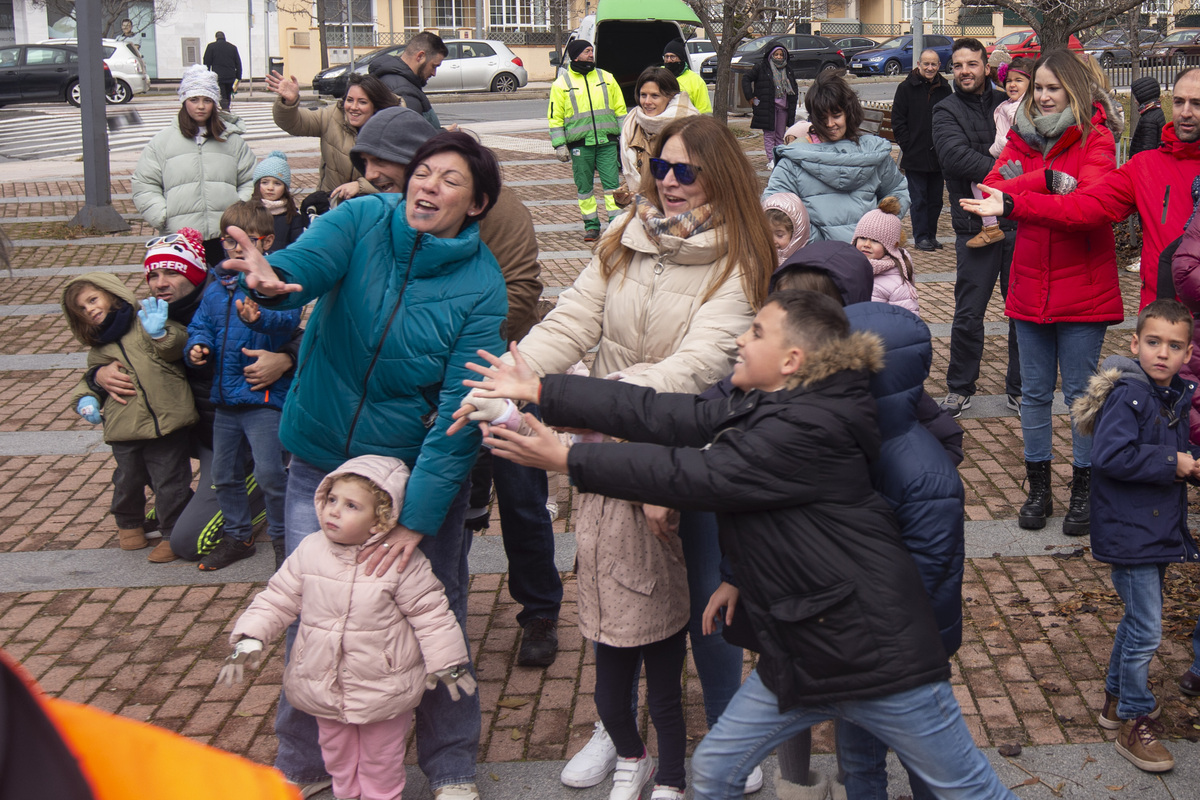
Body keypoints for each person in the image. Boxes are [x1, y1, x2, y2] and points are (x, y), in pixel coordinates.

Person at [462, 291, 1017, 800]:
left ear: (792, 360)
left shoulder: (809, 427)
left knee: (970, 790)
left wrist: (568, 460)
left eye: (755, 332)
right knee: (714, 772)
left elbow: (699, 474)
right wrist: (542, 390)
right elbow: (662, 412)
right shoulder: (766, 406)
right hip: (802, 652)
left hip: (878, 658)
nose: (739, 340)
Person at [453, 115, 774, 795]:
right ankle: (617, 731)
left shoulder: (743, 256)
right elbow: (574, 319)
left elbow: (698, 364)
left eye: (686, 170)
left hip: (695, 448)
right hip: (611, 439)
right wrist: (512, 377)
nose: (670, 182)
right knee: (617, 593)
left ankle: (724, 736)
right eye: (662, 167)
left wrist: (572, 402)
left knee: (707, 604)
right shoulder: (624, 234)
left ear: (720, 174)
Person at [225, 130, 507, 800]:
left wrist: (417, 516)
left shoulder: (481, 287)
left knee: (437, 611)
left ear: (476, 204)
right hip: (319, 459)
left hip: (407, 475)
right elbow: (306, 268)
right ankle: (302, 766)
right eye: (423, 172)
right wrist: (274, 283)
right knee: (312, 610)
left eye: (449, 180)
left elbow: (459, 411)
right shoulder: (362, 218)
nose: (427, 186)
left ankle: (450, 765)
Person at [348, 106, 559, 669]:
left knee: (521, 496)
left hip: (498, 374)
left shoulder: (498, 210)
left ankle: (539, 609)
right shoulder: (383, 210)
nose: (373, 175)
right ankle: (438, 613)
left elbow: (522, 289)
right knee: (447, 499)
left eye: (381, 165)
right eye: (365, 163)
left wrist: (457, 356)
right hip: (414, 389)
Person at [219, 455, 476, 800]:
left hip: (382, 685)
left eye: (351, 505)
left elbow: (432, 615)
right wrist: (249, 636)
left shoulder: (402, 563)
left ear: (379, 520)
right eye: (331, 500)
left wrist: (448, 663)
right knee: (336, 753)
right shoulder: (309, 550)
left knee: (380, 759)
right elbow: (277, 597)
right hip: (324, 684)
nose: (333, 511)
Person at [973, 49, 1121, 537]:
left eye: (1052, 87)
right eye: (1038, 87)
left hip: (1084, 289)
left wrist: (1024, 193)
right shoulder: (1021, 137)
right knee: (1033, 395)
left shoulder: (1096, 138)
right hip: (1031, 285)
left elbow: (1089, 209)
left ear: (1074, 89)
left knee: (1081, 394)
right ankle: (1038, 486)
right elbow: (991, 190)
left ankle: (1084, 487)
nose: (1041, 95)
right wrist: (1052, 182)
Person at [86, 231, 287, 562]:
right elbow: (112, 353)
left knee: (190, 542)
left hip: (233, 433)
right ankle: (198, 499)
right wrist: (97, 377)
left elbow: (296, 333)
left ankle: (264, 488)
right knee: (139, 456)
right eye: (153, 275)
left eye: (171, 273)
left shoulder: (224, 299)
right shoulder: (149, 316)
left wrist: (286, 358)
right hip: (187, 433)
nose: (160, 283)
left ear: (194, 273)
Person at [1071, 299, 1200, 774]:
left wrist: (1188, 467)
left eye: (1174, 345)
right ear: (1134, 344)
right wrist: (1174, 464)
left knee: (1137, 622)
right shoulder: (1130, 394)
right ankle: (1132, 718)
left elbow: (1167, 452)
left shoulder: (1171, 394)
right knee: (1146, 627)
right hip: (1130, 532)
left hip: (1155, 527)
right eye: (1152, 342)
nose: (1162, 353)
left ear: (1187, 354)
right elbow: (1110, 456)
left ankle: (1113, 701)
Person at [963, 68, 1200, 312]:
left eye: (1197, 103)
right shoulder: (1146, 166)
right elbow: (1088, 206)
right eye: (1180, 101)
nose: (1185, 112)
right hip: (1164, 316)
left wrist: (1024, 189)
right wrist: (1041, 183)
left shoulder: (1096, 138)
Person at [186, 201, 301, 571]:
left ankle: (285, 538)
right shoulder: (216, 287)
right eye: (229, 240)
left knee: (270, 472)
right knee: (224, 474)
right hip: (226, 401)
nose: (236, 249)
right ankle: (238, 536)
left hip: (262, 399)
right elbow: (200, 324)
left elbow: (286, 322)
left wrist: (260, 316)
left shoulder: (272, 282)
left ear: (266, 242)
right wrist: (197, 346)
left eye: (247, 241)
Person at [62, 273, 196, 558]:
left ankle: (172, 533)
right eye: (82, 310)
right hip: (125, 425)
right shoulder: (100, 346)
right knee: (128, 478)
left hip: (167, 422)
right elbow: (91, 379)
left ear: (111, 294)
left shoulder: (145, 321)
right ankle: (129, 524)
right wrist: (86, 397)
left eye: (92, 300)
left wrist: (160, 333)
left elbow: (177, 348)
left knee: (170, 481)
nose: (90, 310)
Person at [932, 37, 1021, 418]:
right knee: (969, 313)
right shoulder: (944, 109)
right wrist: (1016, 175)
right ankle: (959, 388)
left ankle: (1022, 389)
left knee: (1022, 312)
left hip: (1020, 221)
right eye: (958, 65)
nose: (964, 71)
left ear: (987, 65)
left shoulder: (1011, 101)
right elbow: (954, 158)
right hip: (974, 227)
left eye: (972, 63)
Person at [132, 64, 255, 267]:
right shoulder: (163, 142)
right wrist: (162, 215)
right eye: (194, 99)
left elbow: (250, 179)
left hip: (225, 238)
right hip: (180, 237)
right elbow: (145, 183)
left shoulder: (232, 142)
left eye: (207, 100)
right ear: (184, 101)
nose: (200, 106)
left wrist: (237, 210)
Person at [765, 71, 909, 243]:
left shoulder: (875, 156)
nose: (830, 124)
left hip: (863, 259)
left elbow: (898, 191)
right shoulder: (793, 162)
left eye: (836, 115)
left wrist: (878, 228)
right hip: (820, 262)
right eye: (823, 118)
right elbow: (775, 207)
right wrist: (812, 238)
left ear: (848, 112)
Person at [267, 71, 397, 204]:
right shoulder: (332, 116)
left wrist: (360, 186)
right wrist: (289, 102)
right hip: (332, 204)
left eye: (362, 102)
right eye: (350, 100)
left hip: (372, 209)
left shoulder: (392, 127)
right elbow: (295, 123)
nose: (353, 107)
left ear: (375, 105)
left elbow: (398, 176)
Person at [549, 39, 627, 243]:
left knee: (612, 186)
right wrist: (559, 144)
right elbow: (555, 117)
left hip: (606, 142)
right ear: (576, 56)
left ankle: (615, 225)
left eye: (592, 51)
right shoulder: (562, 84)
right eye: (586, 51)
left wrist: (626, 138)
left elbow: (620, 110)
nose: (591, 55)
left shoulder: (606, 78)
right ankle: (591, 226)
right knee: (585, 189)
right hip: (580, 145)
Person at [967, 57, 1034, 249]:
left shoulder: (1023, 106)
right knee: (981, 184)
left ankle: (991, 227)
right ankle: (992, 227)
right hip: (1003, 155)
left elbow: (1020, 134)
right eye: (1009, 80)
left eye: (1019, 80)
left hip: (1015, 158)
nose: (1012, 85)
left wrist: (1002, 147)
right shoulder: (1008, 104)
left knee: (985, 185)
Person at [891, 48, 952, 251]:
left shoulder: (945, 88)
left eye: (934, 64)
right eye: (926, 63)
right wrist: (907, 145)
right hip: (915, 154)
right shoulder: (906, 88)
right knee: (919, 199)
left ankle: (931, 235)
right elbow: (898, 121)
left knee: (935, 200)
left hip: (938, 155)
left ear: (939, 66)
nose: (930, 67)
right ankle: (921, 237)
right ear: (919, 64)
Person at [615, 67, 695, 205]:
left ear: (671, 97)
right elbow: (638, 174)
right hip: (644, 214)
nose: (647, 102)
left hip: (680, 213)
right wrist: (625, 193)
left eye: (655, 96)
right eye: (643, 95)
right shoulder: (633, 125)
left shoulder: (689, 129)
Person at [853, 197, 919, 316]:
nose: (866, 245)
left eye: (875, 241)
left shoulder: (897, 284)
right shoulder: (848, 269)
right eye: (862, 238)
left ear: (889, 247)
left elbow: (907, 320)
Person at [369, 31, 448, 128]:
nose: (434, 73)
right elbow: (412, 136)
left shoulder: (400, 80)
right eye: (433, 66)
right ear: (420, 56)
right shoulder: (404, 91)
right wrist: (444, 134)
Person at [743, 40, 798, 168]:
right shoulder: (762, 67)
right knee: (769, 134)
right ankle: (771, 159)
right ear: (771, 55)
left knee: (780, 135)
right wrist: (750, 96)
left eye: (781, 54)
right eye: (776, 54)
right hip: (768, 107)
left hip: (783, 108)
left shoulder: (788, 70)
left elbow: (793, 88)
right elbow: (746, 78)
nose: (779, 57)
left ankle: (778, 157)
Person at [251, 151, 306, 253]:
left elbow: (297, 248)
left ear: (285, 188)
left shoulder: (293, 218)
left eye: (277, 183)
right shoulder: (247, 212)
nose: (270, 188)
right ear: (257, 185)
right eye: (265, 182)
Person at [662, 39, 711, 114]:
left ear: (680, 58)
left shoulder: (696, 80)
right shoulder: (658, 75)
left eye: (672, 57)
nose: (669, 60)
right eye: (666, 57)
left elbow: (704, 111)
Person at [762, 192, 810, 266]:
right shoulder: (758, 257)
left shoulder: (801, 265)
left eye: (779, 235)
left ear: (795, 235)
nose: (772, 240)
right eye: (767, 233)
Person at [202, 31, 242, 111]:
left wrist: (207, 75)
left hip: (218, 76)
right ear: (224, 37)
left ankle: (226, 110)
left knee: (222, 94)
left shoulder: (211, 47)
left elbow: (206, 62)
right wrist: (238, 77)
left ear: (216, 37)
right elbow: (238, 63)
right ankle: (226, 108)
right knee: (227, 94)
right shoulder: (232, 47)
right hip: (231, 76)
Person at [1130, 76, 1166, 157]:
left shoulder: (1148, 119)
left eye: (1136, 98)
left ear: (1144, 97)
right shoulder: (1156, 111)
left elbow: (1147, 149)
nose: (1135, 101)